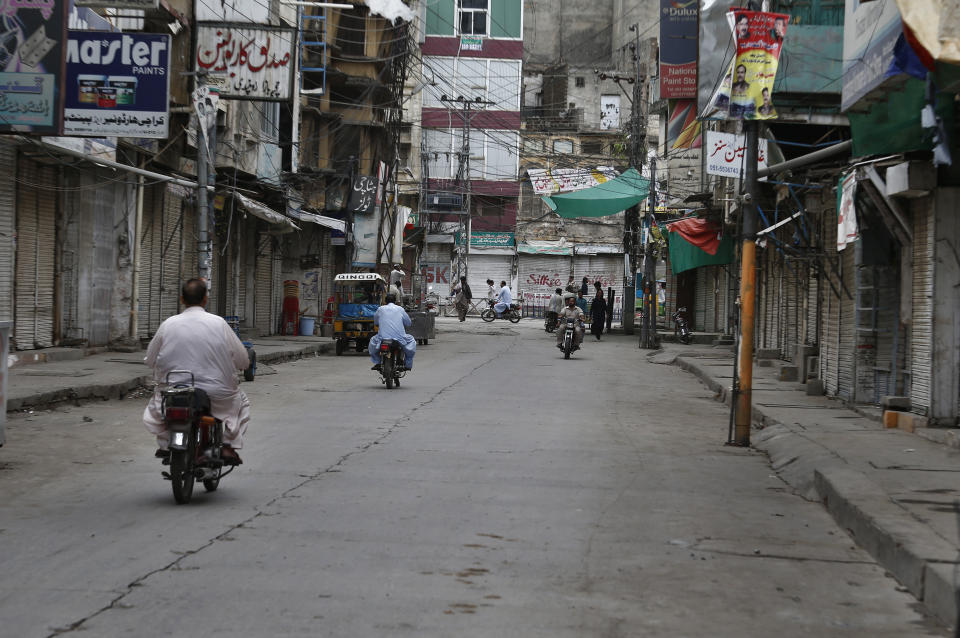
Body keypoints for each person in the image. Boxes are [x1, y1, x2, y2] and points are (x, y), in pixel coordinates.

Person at [143, 278, 249, 465]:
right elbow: (242, 360)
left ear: (182, 299)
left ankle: (167, 444)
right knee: (242, 403)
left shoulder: (168, 324)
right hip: (217, 392)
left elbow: (150, 360)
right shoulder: (219, 324)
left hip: (174, 389)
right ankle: (228, 445)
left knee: (159, 411)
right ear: (205, 300)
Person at [369, 293, 416, 371]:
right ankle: (408, 364)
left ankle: (377, 362)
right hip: (399, 338)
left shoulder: (380, 309)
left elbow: (376, 322)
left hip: (382, 338)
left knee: (372, 342)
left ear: (385, 301)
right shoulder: (400, 309)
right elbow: (408, 323)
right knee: (411, 341)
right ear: (395, 301)